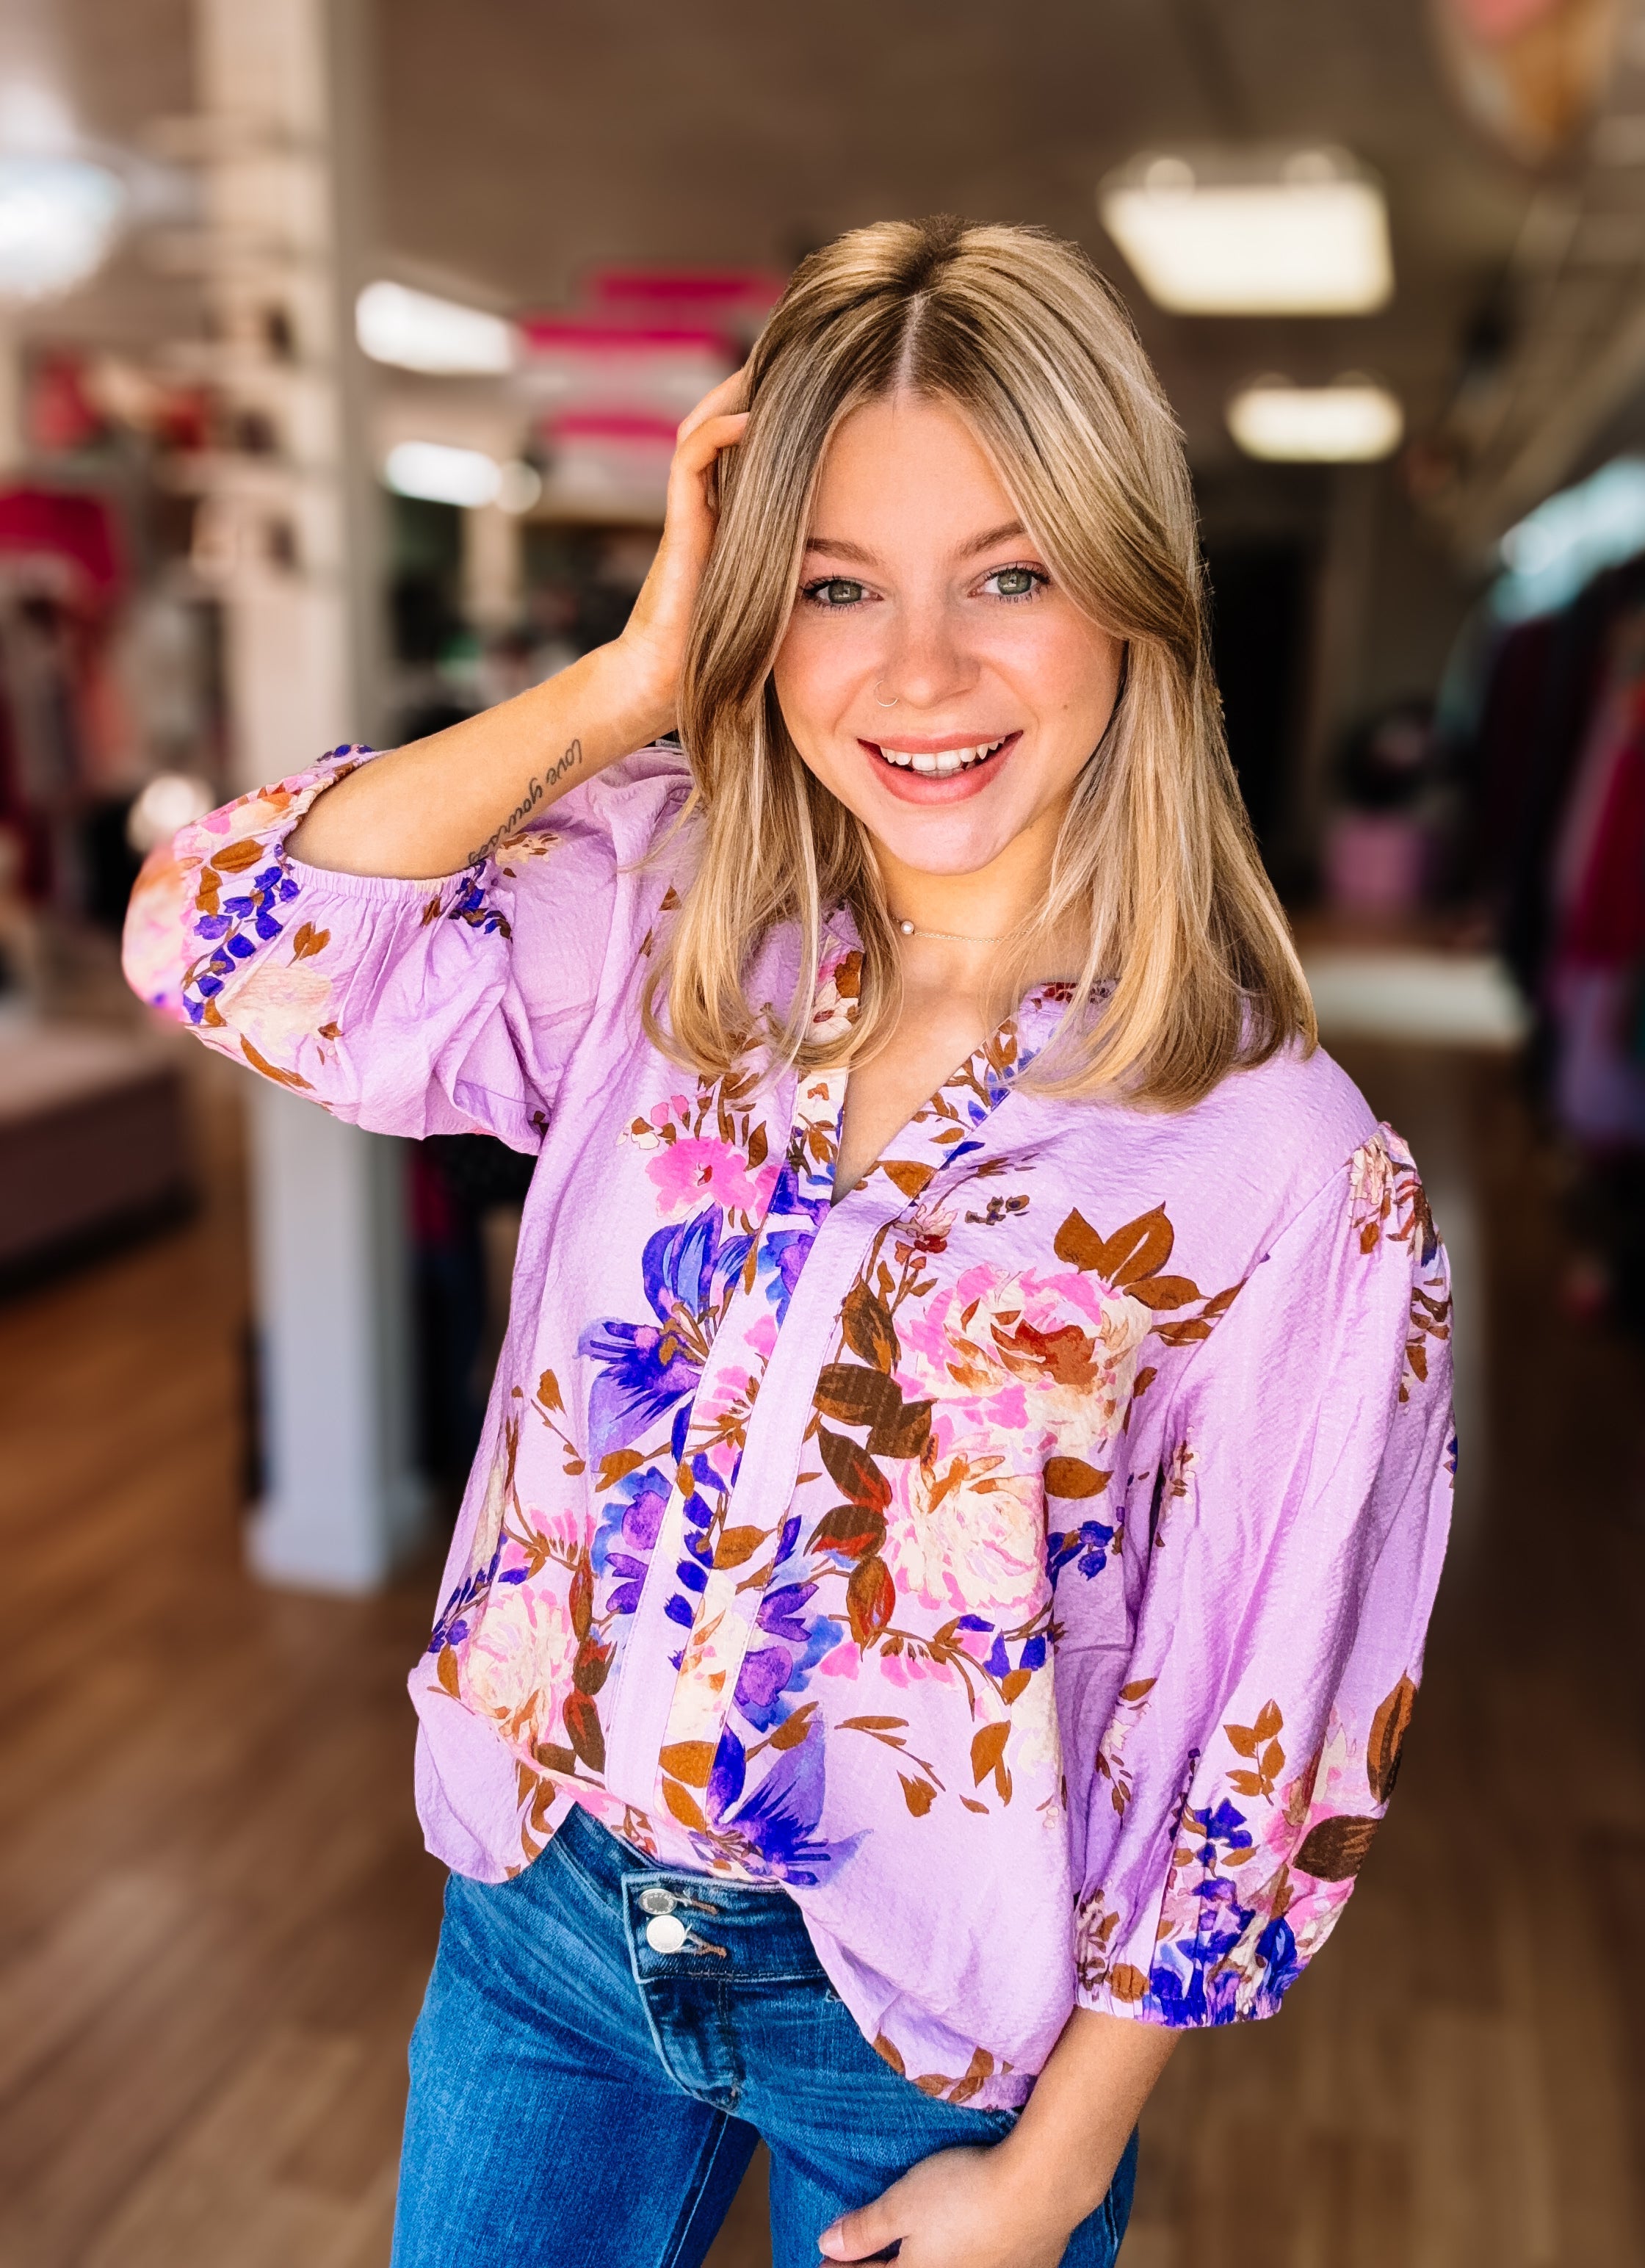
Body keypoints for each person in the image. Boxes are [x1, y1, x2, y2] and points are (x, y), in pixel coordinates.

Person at [123, 218, 1455, 2268]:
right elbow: (219, 938)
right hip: (546, 1930)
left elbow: (1263, 1730)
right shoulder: (664, 911)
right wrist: (634, 678)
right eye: (835, 585)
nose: (918, 674)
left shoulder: (1282, 1166)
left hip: (919, 2032)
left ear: (1133, 597)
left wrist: (1051, 2176)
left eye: (1009, 573)